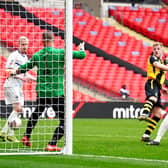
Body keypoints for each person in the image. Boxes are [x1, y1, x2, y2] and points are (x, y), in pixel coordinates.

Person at [8, 31, 86, 151]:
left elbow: (26, 67)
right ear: (53, 40)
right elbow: (82, 56)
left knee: (37, 113)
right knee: (65, 120)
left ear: (42, 41)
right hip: (56, 92)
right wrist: (81, 49)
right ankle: (52, 144)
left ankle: (26, 136)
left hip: (42, 91)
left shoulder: (37, 55)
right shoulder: (60, 52)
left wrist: (15, 72)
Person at [0, 36, 36, 142]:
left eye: (26, 44)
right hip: (11, 84)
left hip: (19, 86)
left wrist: (36, 79)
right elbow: (7, 71)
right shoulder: (14, 56)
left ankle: (10, 134)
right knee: (18, 108)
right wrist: (22, 77)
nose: (25, 47)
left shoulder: (25, 58)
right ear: (19, 44)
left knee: (19, 110)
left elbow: (26, 75)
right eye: (23, 44)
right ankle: (3, 132)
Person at [138, 42, 168, 142]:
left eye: (158, 49)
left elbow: (162, 74)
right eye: (154, 49)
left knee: (158, 114)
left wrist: (162, 87)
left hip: (157, 86)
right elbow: (157, 66)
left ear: (162, 50)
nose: (156, 51)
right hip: (151, 82)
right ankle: (144, 113)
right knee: (153, 98)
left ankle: (146, 135)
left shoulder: (162, 60)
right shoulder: (153, 58)